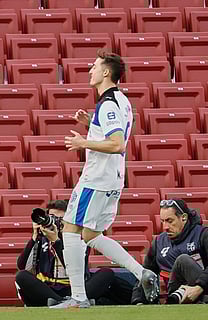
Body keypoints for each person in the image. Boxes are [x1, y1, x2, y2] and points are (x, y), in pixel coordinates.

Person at [52, 50, 159, 309]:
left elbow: (117, 144)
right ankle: (141, 273)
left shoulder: (109, 104)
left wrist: (82, 142)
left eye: (95, 66)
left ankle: (78, 297)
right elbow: (113, 135)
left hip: (96, 179)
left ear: (106, 72)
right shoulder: (122, 101)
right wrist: (92, 123)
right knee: (91, 234)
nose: (91, 71)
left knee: (70, 228)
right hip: (112, 178)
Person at [15, 200, 117, 307]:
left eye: (60, 219)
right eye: (52, 218)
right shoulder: (42, 238)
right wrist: (34, 237)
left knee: (106, 273)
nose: (55, 222)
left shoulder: (79, 238)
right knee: (21, 276)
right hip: (47, 290)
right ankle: (62, 302)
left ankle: (64, 302)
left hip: (76, 289)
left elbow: (73, 267)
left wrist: (56, 242)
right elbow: (22, 265)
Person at [131, 199, 208, 305]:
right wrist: (138, 301)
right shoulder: (159, 242)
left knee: (183, 260)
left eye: (170, 221)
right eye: (162, 221)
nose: (165, 227)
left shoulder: (202, 234)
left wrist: (199, 288)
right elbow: (146, 273)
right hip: (175, 297)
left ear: (183, 218)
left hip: (203, 289)